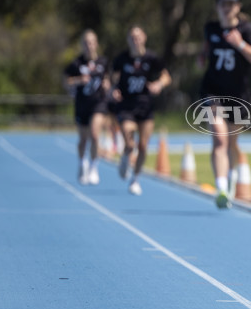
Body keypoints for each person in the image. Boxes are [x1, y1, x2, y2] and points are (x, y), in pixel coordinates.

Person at [199, 0, 251, 208]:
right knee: (220, 137)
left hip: (238, 94)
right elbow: (206, 49)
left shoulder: (247, 29)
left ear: (238, 7)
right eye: (223, 4)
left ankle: (232, 176)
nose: (227, 8)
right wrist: (202, 57)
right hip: (213, 92)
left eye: (231, 4)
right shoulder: (210, 28)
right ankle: (221, 189)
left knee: (232, 143)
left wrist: (240, 44)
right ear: (217, 7)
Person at [111, 25, 172, 195]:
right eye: (132, 37)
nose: (135, 40)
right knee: (130, 142)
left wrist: (159, 84)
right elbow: (111, 80)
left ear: (144, 37)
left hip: (146, 107)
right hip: (126, 107)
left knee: (143, 146)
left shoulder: (152, 58)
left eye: (138, 36)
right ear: (128, 40)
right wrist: (113, 90)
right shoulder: (122, 59)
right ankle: (125, 157)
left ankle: (135, 179)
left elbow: (166, 76)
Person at [63, 29, 110, 186]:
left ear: (96, 44)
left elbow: (109, 79)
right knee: (83, 139)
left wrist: (107, 85)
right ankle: (82, 163)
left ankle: (94, 166)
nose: (89, 45)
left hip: (99, 103)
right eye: (86, 42)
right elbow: (66, 82)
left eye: (92, 42)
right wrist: (78, 80)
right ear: (82, 45)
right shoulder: (76, 63)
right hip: (82, 104)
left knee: (95, 135)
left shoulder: (103, 62)